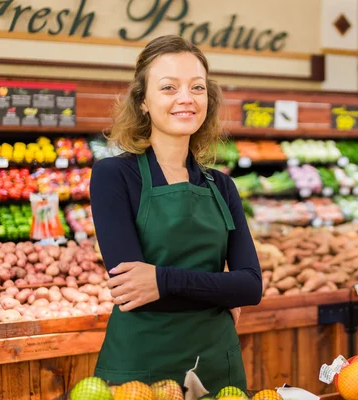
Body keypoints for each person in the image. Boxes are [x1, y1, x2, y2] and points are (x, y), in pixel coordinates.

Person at [89, 34, 262, 394]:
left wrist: (163, 281)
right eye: (169, 87)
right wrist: (219, 292)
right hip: (140, 366)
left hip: (217, 364)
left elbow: (251, 285)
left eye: (197, 88)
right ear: (143, 102)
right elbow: (131, 288)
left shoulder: (223, 186)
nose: (186, 98)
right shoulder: (114, 176)